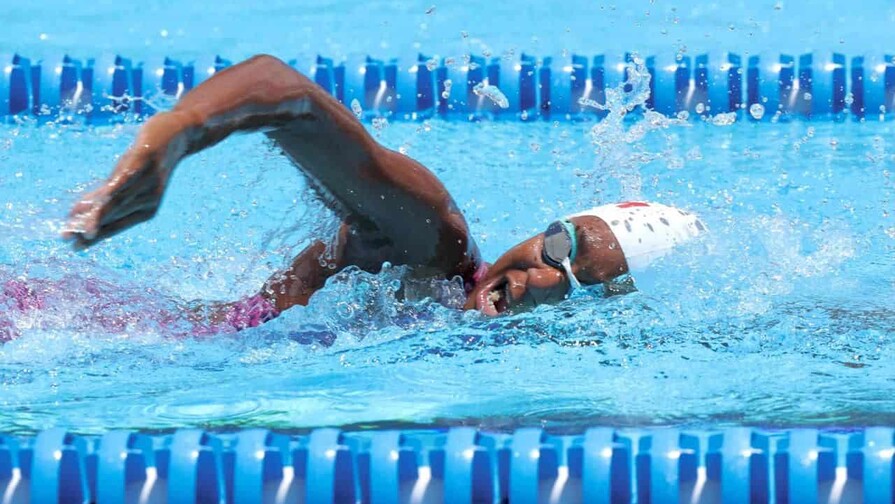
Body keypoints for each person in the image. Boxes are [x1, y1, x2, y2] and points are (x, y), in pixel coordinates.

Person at [61, 55, 705, 330]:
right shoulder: (429, 245)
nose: (539, 276)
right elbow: (282, 90)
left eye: (577, 281)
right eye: (558, 244)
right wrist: (168, 142)